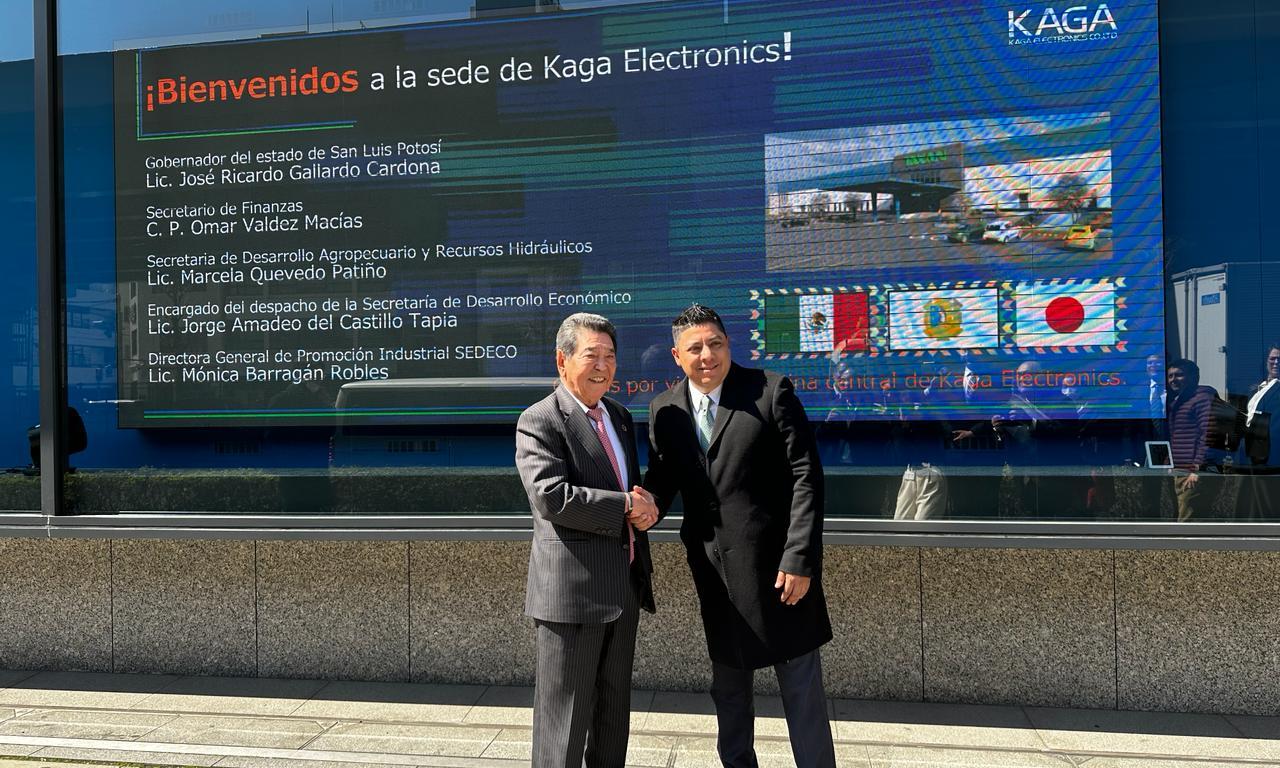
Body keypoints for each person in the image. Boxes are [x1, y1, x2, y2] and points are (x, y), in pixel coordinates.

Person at [645, 304, 836, 768]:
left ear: (729, 345)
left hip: (780, 573)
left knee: (802, 696)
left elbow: (807, 477)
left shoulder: (770, 391)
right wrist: (639, 505)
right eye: (695, 348)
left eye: (716, 344)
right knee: (729, 695)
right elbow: (662, 481)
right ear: (677, 356)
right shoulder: (664, 409)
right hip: (718, 579)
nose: (707, 355)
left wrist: (800, 557)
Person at [514, 312, 660, 768]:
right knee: (563, 728)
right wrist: (625, 505)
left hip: (623, 589)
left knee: (612, 720)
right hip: (571, 598)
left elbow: (628, 490)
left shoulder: (619, 416)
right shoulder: (540, 419)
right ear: (562, 360)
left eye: (610, 356)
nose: (603, 366)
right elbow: (551, 496)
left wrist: (645, 507)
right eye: (591, 355)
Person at [1166, 358, 1219, 521]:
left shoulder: (1203, 398)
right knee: (1180, 519)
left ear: (1193, 377)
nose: (1173, 379)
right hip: (1179, 470)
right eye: (1170, 376)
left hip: (1192, 473)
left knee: (1187, 522)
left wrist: (1198, 469)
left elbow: (1208, 434)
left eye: (1179, 375)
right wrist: (1169, 463)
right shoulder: (1179, 401)